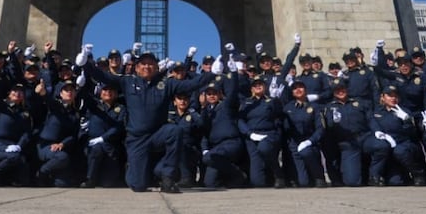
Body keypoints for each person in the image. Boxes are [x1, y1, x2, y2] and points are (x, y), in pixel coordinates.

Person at [84, 46, 209, 193]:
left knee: (175, 131)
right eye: (143, 64)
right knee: (137, 185)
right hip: (137, 139)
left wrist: (213, 74)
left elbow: (191, 84)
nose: (147, 67)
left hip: (158, 134)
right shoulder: (128, 82)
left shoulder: (166, 84)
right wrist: (85, 63)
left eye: (150, 64)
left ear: (157, 67)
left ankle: (167, 177)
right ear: (137, 67)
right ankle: (150, 171)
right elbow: (104, 77)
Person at [367, 85, 426, 186]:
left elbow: (413, 134)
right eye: (390, 96)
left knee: (400, 151)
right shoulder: (377, 112)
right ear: (382, 97)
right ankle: (374, 176)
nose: (393, 98)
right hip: (387, 148)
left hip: (403, 144)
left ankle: (418, 174)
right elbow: (374, 125)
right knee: (395, 182)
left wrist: (407, 120)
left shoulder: (405, 112)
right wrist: (381, 134)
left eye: (395, 96)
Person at [321, 79, 371, 187]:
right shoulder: (329, 107)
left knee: (378, 146)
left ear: (346, 89)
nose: (340, 91)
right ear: (333, 92)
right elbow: (327, 128)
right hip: (345, 144)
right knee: (352, 181)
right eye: (337, 90)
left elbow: (370, 121)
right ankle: (338, 178)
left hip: (362, 138)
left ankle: (372, 176)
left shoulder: (360, 103)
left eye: (342, 88)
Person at [237, 77, 285, 188]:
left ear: (265, 87)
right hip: (252, 136)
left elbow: (279, 114)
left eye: (260, 84)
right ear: (251, 89)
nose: (258, 86)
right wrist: (249, 133)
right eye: (255, 85)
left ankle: (278, 174)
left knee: (264, 148)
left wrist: (276, 100)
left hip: (268, 134)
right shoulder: (246, 102)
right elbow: (240, 120)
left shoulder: (271, 101)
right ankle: (267, 178)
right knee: (257, 182)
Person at [0, 83, 33, 187]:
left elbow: (26, 133)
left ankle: (10, 180)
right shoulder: (1, 106)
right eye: (15, 91)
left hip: (13, 143)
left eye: (21, 91)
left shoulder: (25, 113)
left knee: (22, 162)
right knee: (13, 157)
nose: (17, 93)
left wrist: (19, 146)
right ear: (9, 93)